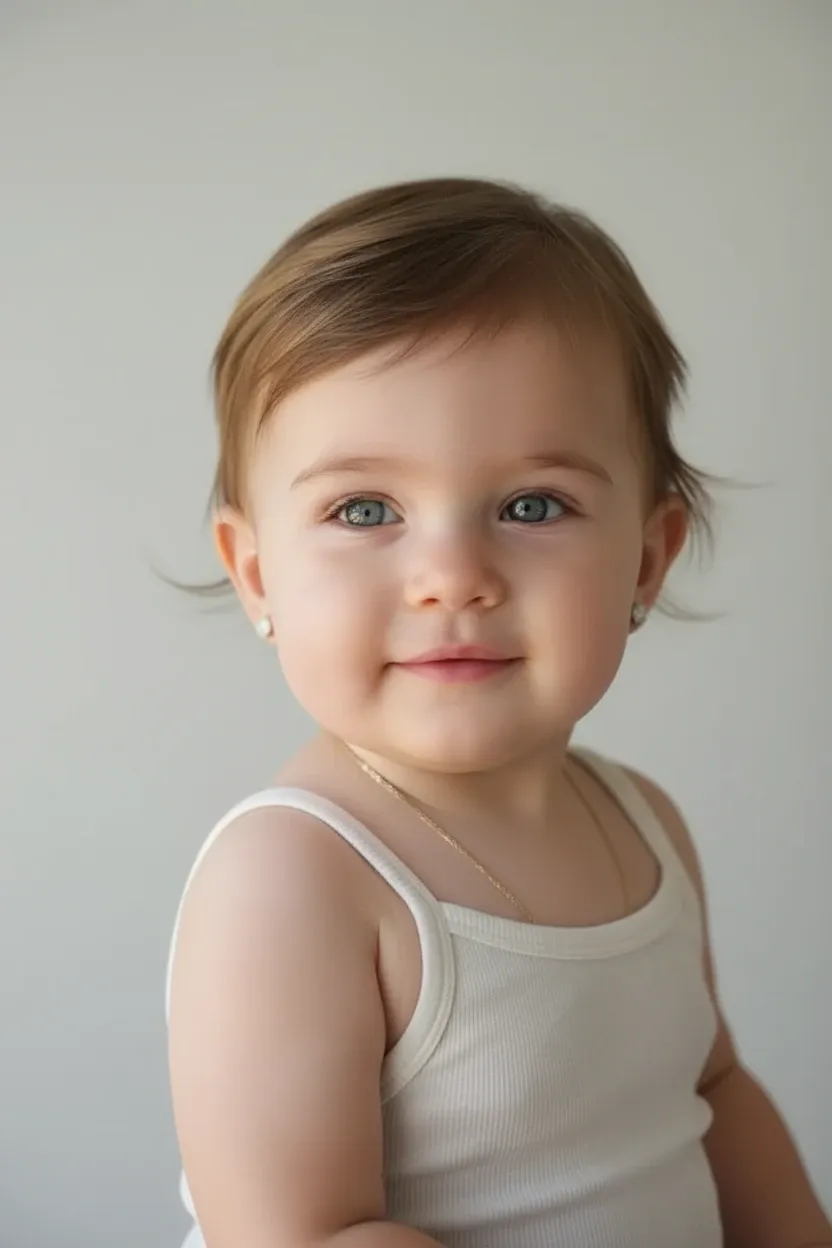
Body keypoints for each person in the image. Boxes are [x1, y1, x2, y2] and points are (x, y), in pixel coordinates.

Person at [165, 177, 831, 1248]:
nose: (452, 576)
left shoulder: (642, 824)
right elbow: (305, 1236)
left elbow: (714, 1092)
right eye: (364, 510)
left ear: (646, 560)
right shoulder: (294, 881)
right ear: (256, 577)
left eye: (531, 506)